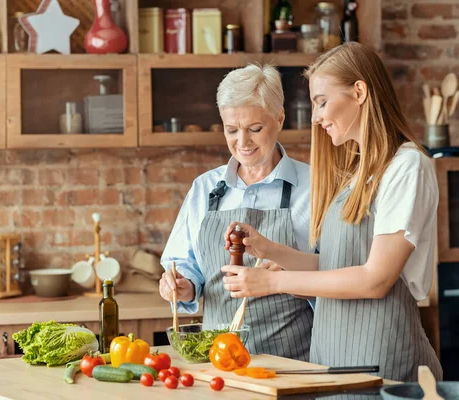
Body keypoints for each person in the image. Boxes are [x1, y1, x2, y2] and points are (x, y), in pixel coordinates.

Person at [222, 42, 442, 381]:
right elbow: (339, 265)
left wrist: (274, 281)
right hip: (332, 359)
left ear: (359, 92)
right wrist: (266, 248)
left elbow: (376, 279)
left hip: (382, 361)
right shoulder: (356, 172)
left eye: (322, 102)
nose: (315, 118)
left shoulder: (407, 166)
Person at [158, 64, 314, 361]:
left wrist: (291, 271)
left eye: (255, 129)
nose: (242, 142)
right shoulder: (205, 188)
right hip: (220, 364)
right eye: (232, 130)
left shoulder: (313, 187)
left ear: (280, 118)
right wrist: (181, 286)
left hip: (293, 364)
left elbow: (338, 271)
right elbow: (184, 264)